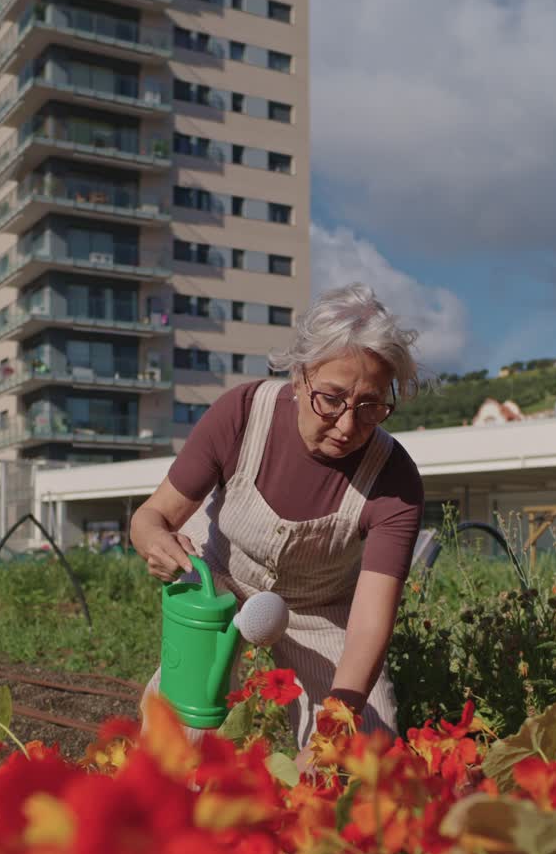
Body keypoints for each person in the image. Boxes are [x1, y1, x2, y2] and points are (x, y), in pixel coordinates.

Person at [130, 282, 424, 762]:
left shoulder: (394, 479)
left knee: (359, 758)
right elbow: (152, 516)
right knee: (178, 738)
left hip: (320, 608)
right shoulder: (243, 414)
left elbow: (370, 622)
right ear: (299, 375)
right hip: (221, 579)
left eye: (370, 407)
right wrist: (154, 541)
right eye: (331, 399)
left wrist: (335, 725)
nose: (347, 425)